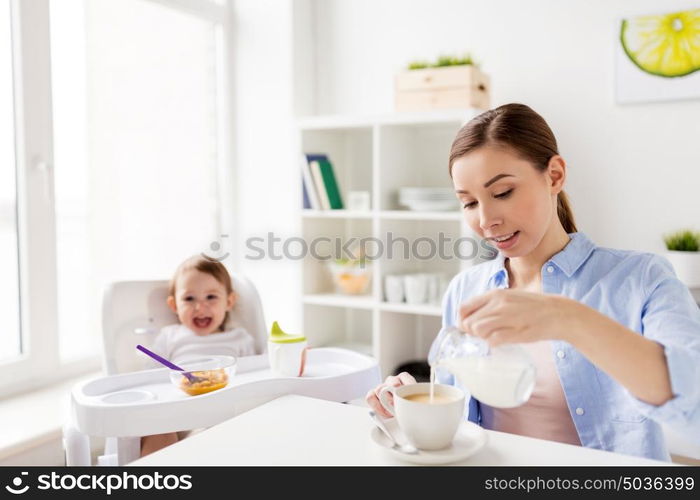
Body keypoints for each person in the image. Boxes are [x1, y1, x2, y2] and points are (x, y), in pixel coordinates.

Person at [366, 103, 700, 461]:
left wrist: (567, 318)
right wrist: (411, 400)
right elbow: (451, 407)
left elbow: (692, 396)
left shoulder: (641, 279)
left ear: (554, 175)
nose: (486, 220)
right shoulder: (466, 289)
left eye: (503, 193)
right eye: (469, 202)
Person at [140, 255, 256, 457]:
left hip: (224, 415)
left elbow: (255, 377)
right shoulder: (170, 336)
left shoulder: (240, 338)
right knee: (156, 428)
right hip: (176, 415)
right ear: (174, 305)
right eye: (189, 299)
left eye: (211, 297)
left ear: (229, 301)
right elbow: (150, 379)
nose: (200, 308)